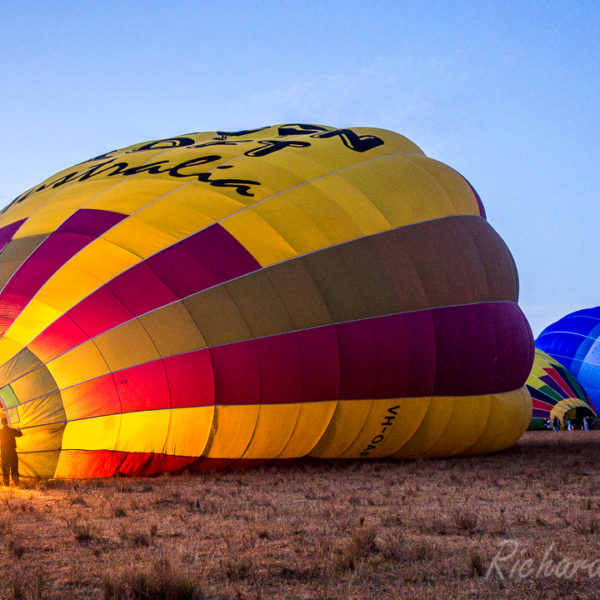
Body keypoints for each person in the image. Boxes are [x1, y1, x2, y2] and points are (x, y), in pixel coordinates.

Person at [0, 417, 22, 485]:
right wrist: (18, 430)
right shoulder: (12, 430)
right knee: (14, 466)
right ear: (7, 422)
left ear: (1, 423)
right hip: (12, 451)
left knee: (4, 467)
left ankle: (6, 483)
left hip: (3, 451)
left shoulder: (0, 431)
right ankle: (16, 482)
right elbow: (20, 434)